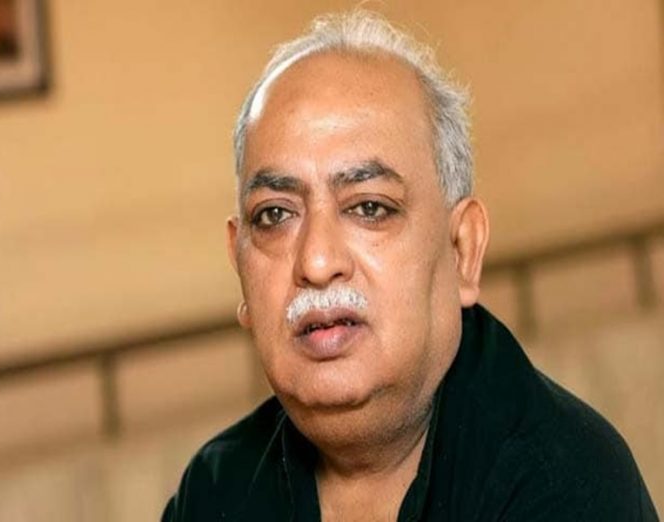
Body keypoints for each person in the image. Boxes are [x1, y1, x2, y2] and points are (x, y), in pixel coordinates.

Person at [163, 10, 658, 521]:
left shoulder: (565, 484)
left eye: (369, 207)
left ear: (463, 250)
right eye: (274, 215)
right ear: (239, 265)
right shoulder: (215, 492)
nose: (317, 261)